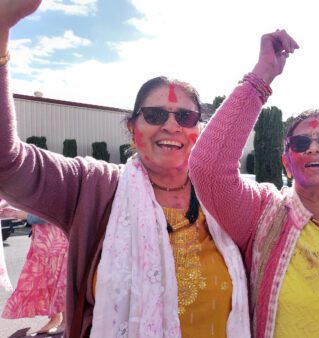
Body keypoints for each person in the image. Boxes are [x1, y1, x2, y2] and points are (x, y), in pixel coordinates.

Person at [0, 1, 249, 337]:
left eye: (185, 117)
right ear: (132, 129)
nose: (171, 126)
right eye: (156, 115)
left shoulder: (223, 195)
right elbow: (8, 163)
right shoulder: (92, 187)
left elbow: (291, 209)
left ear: (200, 131)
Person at [189, 31, 319, 338]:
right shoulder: (261, 215)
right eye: (300, 143)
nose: (313, 148)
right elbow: (207, 168)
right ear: (286, 162)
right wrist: (262, 76)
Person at [0, 205, 67, 336]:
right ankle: (56, 318)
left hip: (56, 238)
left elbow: (54, 211)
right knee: (49, 278)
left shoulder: (56, 185)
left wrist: (24, 215)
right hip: (44, 239)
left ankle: (65, 321)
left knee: (59, 279)